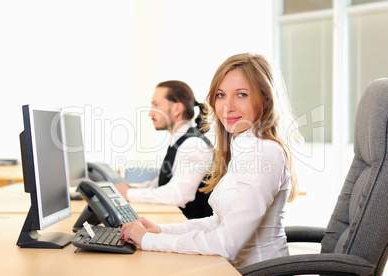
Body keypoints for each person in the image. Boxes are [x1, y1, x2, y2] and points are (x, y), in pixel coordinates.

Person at [119, 53, 303, 269]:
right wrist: (161, 230)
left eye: (241, 94)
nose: (227, 106)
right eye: (221, 95)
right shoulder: (243, 148)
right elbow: (218, 222)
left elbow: (226, 243)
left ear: (265, 98)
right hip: (230, 267)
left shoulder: (265, 153)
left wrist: (150, 241)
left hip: (258, 271)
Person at [115, 80, 214, 219]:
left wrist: (129, 194)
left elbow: (179, 193)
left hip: (191, 229)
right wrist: (133, 189)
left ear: (177, 109)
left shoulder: (193, 145)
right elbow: (163, 183)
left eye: (156, 105)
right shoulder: (181, 141)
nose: (150, 113)